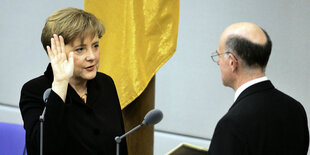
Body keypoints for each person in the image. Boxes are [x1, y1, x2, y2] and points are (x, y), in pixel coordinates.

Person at [19, 8, 128, 155]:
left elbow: (119, 145)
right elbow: (42, 149)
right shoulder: (35, 91)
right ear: (55, 52)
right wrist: (60, 84)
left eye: (95, 46)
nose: (92, 56)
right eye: (80, 49)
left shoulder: (105, 84)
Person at [208, 22, 309, 155]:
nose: (218, 62)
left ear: (232, 62)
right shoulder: (296, 110)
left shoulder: (231, 125)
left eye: (219, 55)